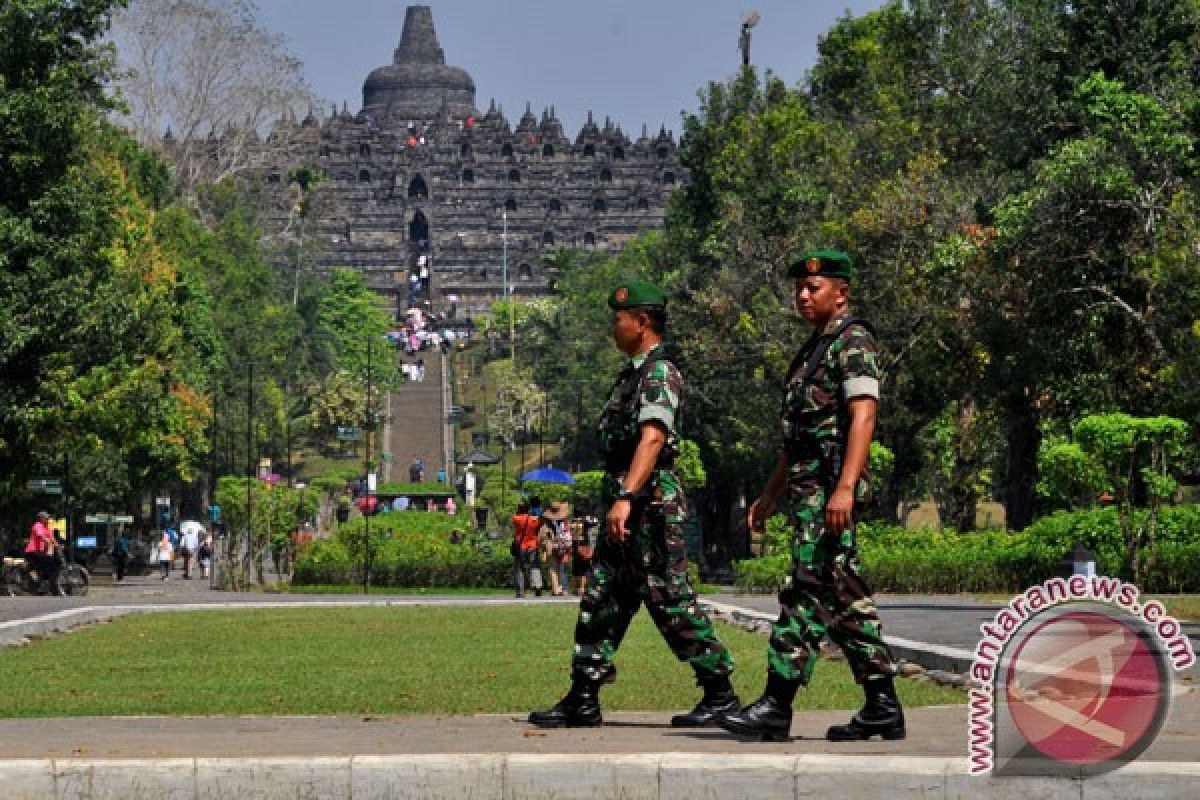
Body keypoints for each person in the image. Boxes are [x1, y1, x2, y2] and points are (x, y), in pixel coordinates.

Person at [529, 280, 737, 729]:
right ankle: (583, 694)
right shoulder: (633, 375)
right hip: (626, 504)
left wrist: (626, 496)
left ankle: (720, 690)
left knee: (669, 598)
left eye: (618, 319)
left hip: (650, 504)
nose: (612, 327)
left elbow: (653, 438)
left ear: (642, 322)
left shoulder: (660, 373)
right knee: (602, 597)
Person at [716, 249, 905, 742]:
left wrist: (843, 489)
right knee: (845, 595)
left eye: (813, 288)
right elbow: (800, 436)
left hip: (827, 493)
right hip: (807, 489)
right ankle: (883, 705)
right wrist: (769, 494)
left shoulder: (854, 341)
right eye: (799, 287)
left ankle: (776, 704)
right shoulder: (812, 351)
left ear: (841, 292)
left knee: (805, 589)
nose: (802, 295)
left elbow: (863, 415)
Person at [24, 511, 61, 595]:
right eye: (46, 517)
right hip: (32, 551)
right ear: (41, 518)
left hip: (40, 551)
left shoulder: (48, 527)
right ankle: (36, 583)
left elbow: (52, 538)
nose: (47, 519)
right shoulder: (37, 525)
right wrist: (47, 541)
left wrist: (58, 545)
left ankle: (43, 584)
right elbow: (40, 535)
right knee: (40, 566)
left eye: (48, 517)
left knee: (48, 564)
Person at [510, 502, 542, 598]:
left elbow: (514, 519)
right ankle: (537, 585)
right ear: (528, 509)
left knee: (519, 568)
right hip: (533, 545)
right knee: (535, 566)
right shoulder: (535, 520)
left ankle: (520, 591)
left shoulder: (516, 518)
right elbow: (539, 525)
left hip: (520, 546)